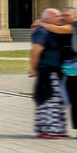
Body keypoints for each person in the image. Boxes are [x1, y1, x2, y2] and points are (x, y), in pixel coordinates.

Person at [35, 8, 77, 140]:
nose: (64, 17)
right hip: (71, 69)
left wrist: (42, 23)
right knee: (74, 99)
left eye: (67, 15)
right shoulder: (64, 27)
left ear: (75, 16)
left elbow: (59, 30)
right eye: (62, 15)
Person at [28, 7, 69, 138]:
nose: (60, 19)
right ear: (49, 18)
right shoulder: (42, 31)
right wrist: (34, 68)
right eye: (57, 16)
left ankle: (56, 129)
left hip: (56, 70)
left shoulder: (52, 29)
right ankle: (48, 130)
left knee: (57, 100)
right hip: (48, 70)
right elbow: (35, 51)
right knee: (49, 100)